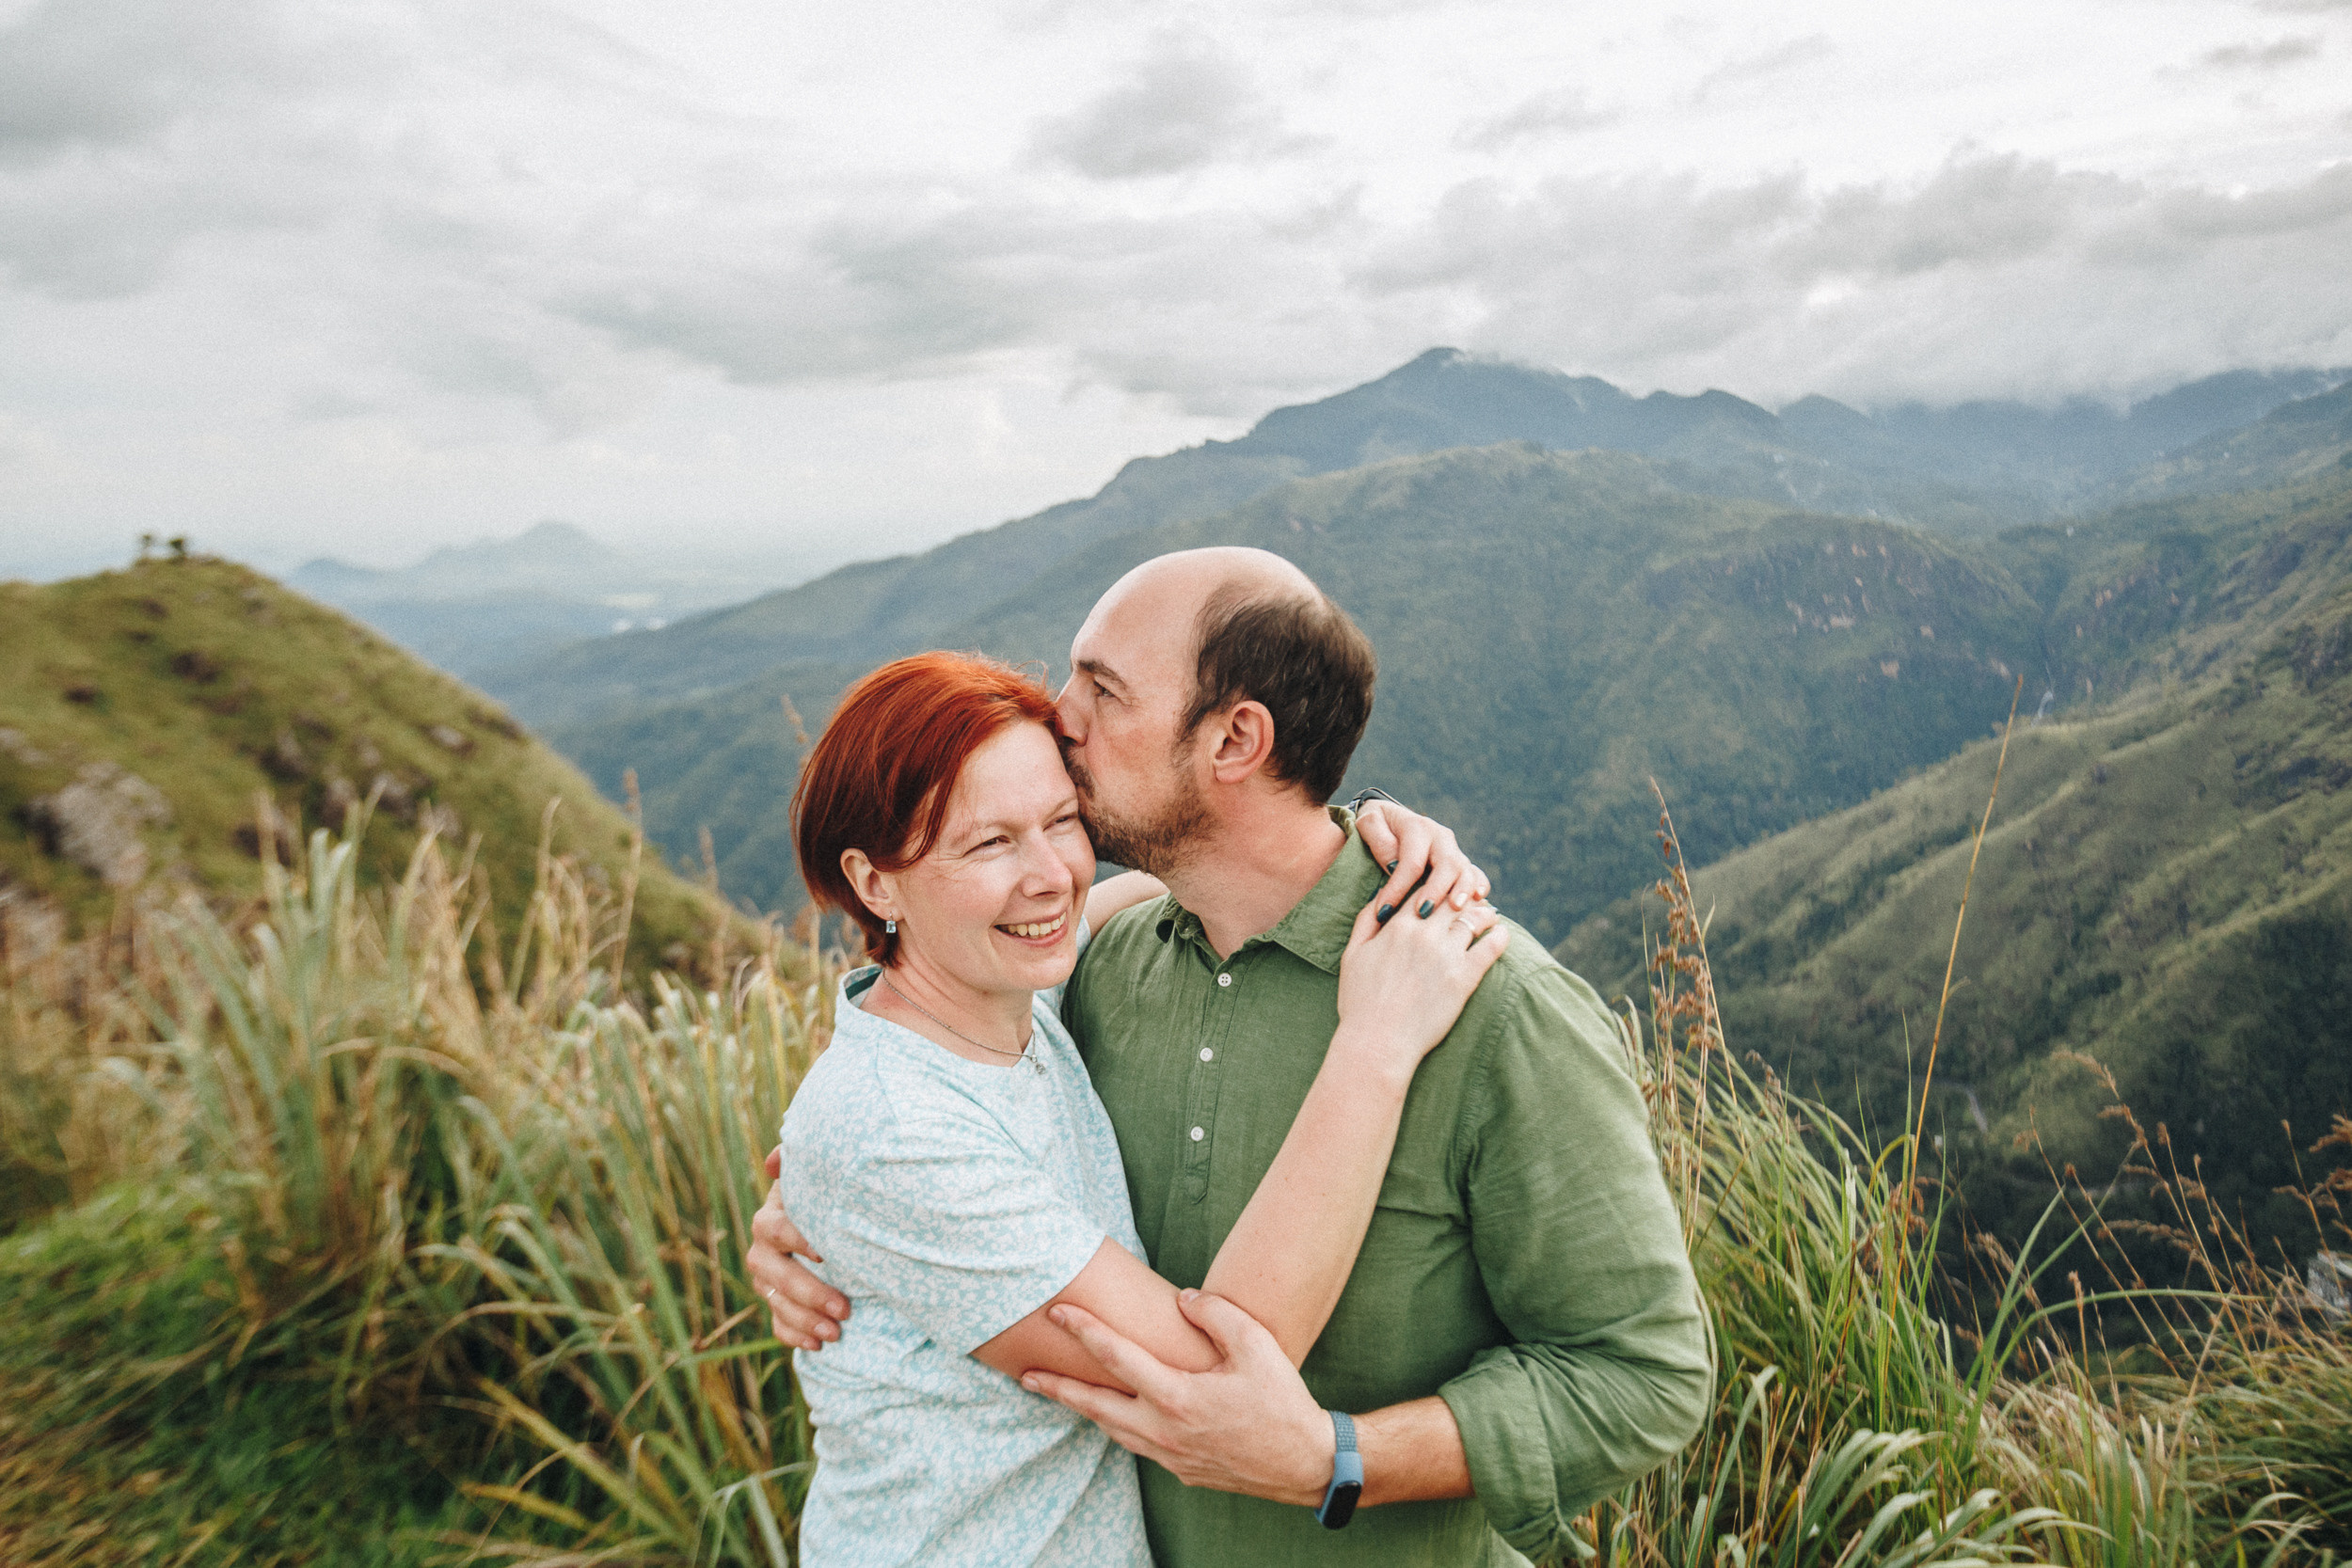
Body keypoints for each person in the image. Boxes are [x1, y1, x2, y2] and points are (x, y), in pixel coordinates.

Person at [757, 547, 1712, 1566]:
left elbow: (1644, 1373)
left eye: (1102, 687)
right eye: (1071, 677)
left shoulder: (1490, 1004)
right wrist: (816, 1214)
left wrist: (1342, 1458)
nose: (1058, 711)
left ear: (1236, 738)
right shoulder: (1097, 969)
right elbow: (915, 1111)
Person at [776, 649, 1508, 1566]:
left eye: (1060, 821)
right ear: (874, 882)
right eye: (988, 842)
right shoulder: (892, 1130)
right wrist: (1375, 1044)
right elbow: (1213, 1370)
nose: (1049, 873)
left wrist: (1365, 836)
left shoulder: (1001, 999)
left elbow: (1174, 880)